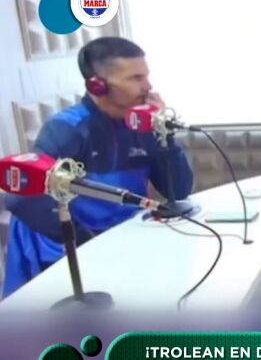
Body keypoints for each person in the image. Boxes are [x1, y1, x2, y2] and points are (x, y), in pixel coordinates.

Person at [3, 37, 194, 296]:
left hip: (122, 237)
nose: (148, 86)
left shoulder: (142, 124)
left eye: (146, 76)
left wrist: (164, 133)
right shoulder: (68, 128)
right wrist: (85, 241)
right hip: (76, 245)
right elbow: (21, 198)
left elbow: (180, 189)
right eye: (135, 78)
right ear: (97, 85)